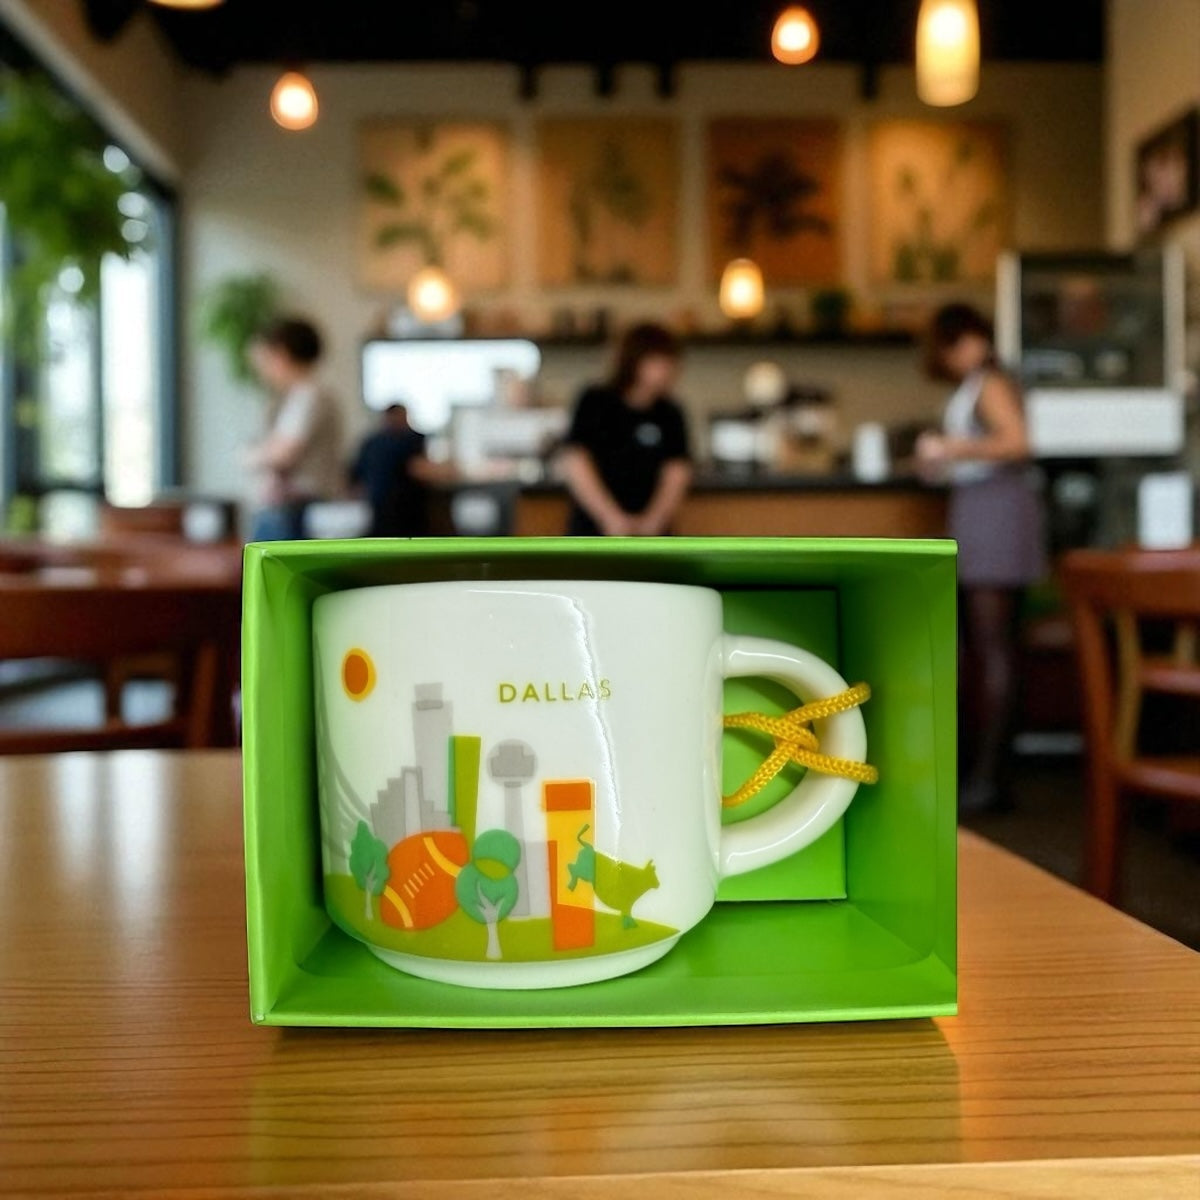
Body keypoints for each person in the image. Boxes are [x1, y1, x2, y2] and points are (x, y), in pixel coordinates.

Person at [916, 302, 1046, 815]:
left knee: (993, 648)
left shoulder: (990, 383)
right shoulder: (976, 384)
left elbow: (1016, 443)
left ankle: (989, 777)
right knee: (987, 646)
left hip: (997, 515)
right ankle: (984, 771)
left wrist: (952, 447)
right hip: (982, 512)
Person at [560, 323, 693, 536]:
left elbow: (677, 470)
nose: (668, 368)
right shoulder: (594, 401)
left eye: (671, 361)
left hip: (653, 535)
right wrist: (609, 517)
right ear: (634, 360)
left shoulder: (670, 412)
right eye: (660, 360)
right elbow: (576, 460)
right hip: (592, 531)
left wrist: (654, 520)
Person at [246, 317, 344, 541]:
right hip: (290, 511)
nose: (263, 369)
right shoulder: (300, 397)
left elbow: (283, 454)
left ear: (281, 354)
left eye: (265, 359)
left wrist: (250, 455)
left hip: (292, 511)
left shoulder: (309, 396)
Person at [349, 404, 432, 537]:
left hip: (396, 508)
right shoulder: (409, 441)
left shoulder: (372, 442)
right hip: (396, 509)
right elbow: (419, 469)